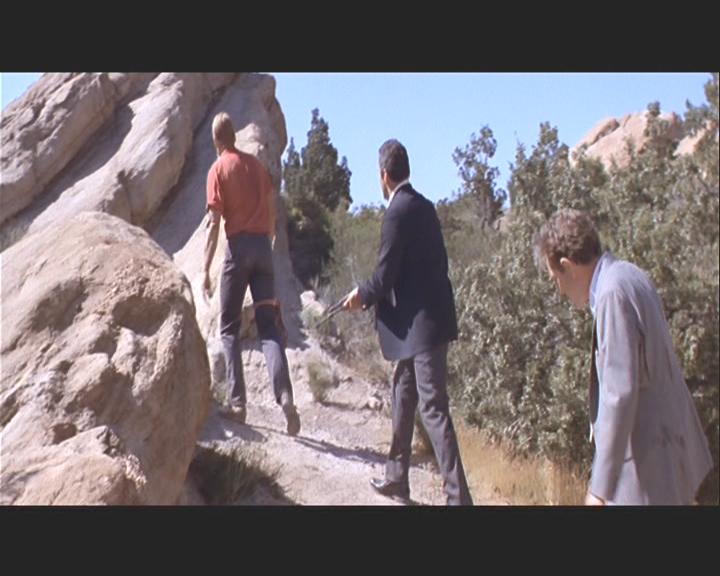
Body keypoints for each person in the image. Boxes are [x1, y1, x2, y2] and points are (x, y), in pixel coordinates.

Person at [534, 208, 712, 504]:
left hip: (647, 473)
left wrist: (599, 488)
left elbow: (619, 395)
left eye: (555, 279)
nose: (560, 291)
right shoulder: (630, 274)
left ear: (568, 266)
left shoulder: (611, 294)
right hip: (672, 457)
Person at [343, 139, 473, 505]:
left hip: (421, 330)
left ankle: (458, 499)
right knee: (403, 394)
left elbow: (385, 275)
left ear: (383, 175)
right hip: (429, 324)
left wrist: (361, 295)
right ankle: (396, 478)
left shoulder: (396, 213)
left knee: (433, 410)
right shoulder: (425, 207)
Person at [203, 112, 300, 436]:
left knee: (229, 327)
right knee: (269, 327)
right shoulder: (256, 167)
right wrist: (268, 240)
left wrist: (205, 268)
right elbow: (272, 208)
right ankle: (285, 396)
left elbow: (214, 222)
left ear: (216, 141)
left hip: (238, 248)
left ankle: (237, 403)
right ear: (234, 136)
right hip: (262, 249)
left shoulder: (218, 169)